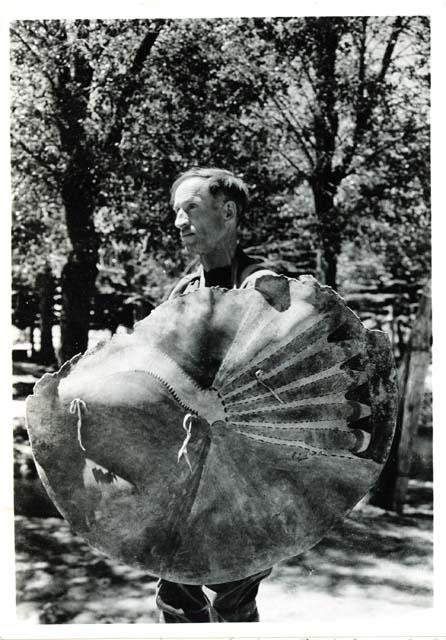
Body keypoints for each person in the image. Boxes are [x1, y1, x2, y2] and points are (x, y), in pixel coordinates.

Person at [155, 167, 276, 623]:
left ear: (228, 213)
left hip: (246, 479)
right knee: (175, 593)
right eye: (175, 212)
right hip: (185, 473)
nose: (179, 222)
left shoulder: (263, 288)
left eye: (191, 209)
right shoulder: (183, 292)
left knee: (234, 599)